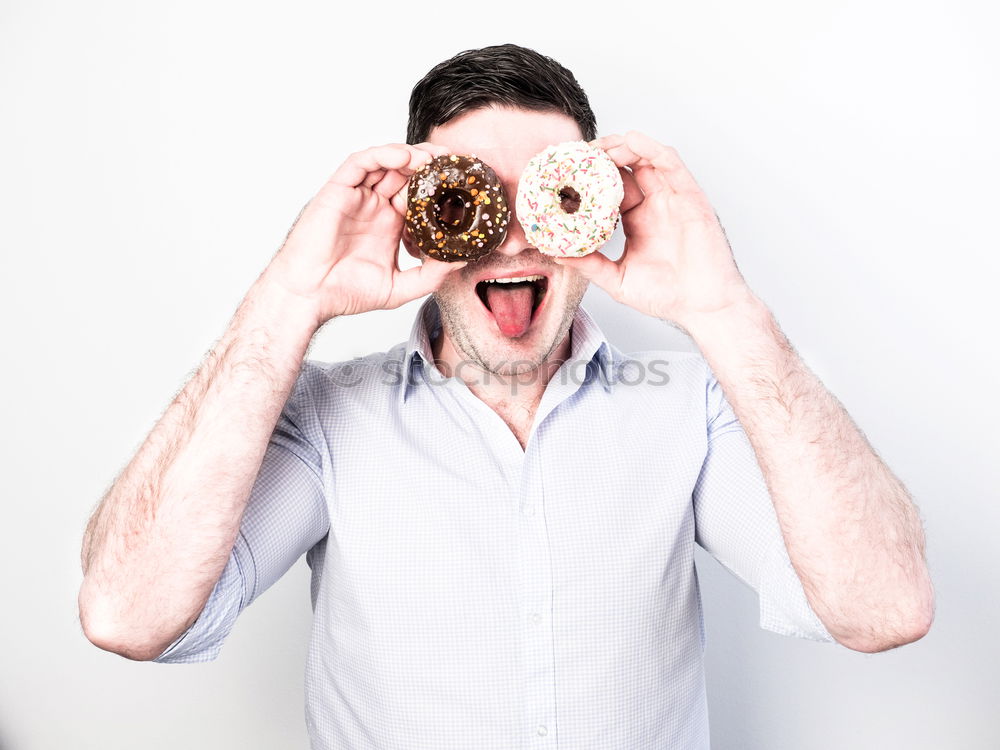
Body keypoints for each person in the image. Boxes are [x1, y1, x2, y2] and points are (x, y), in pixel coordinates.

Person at [78, 44, 934, 749]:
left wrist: (725, 310)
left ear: (598, 211)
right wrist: (288, 299)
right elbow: (127, 614)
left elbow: (884, 608)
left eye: (550, 195)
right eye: (473, 197)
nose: (515, 236)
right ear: (418, 217)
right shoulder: (323, 420)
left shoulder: (690, 406)